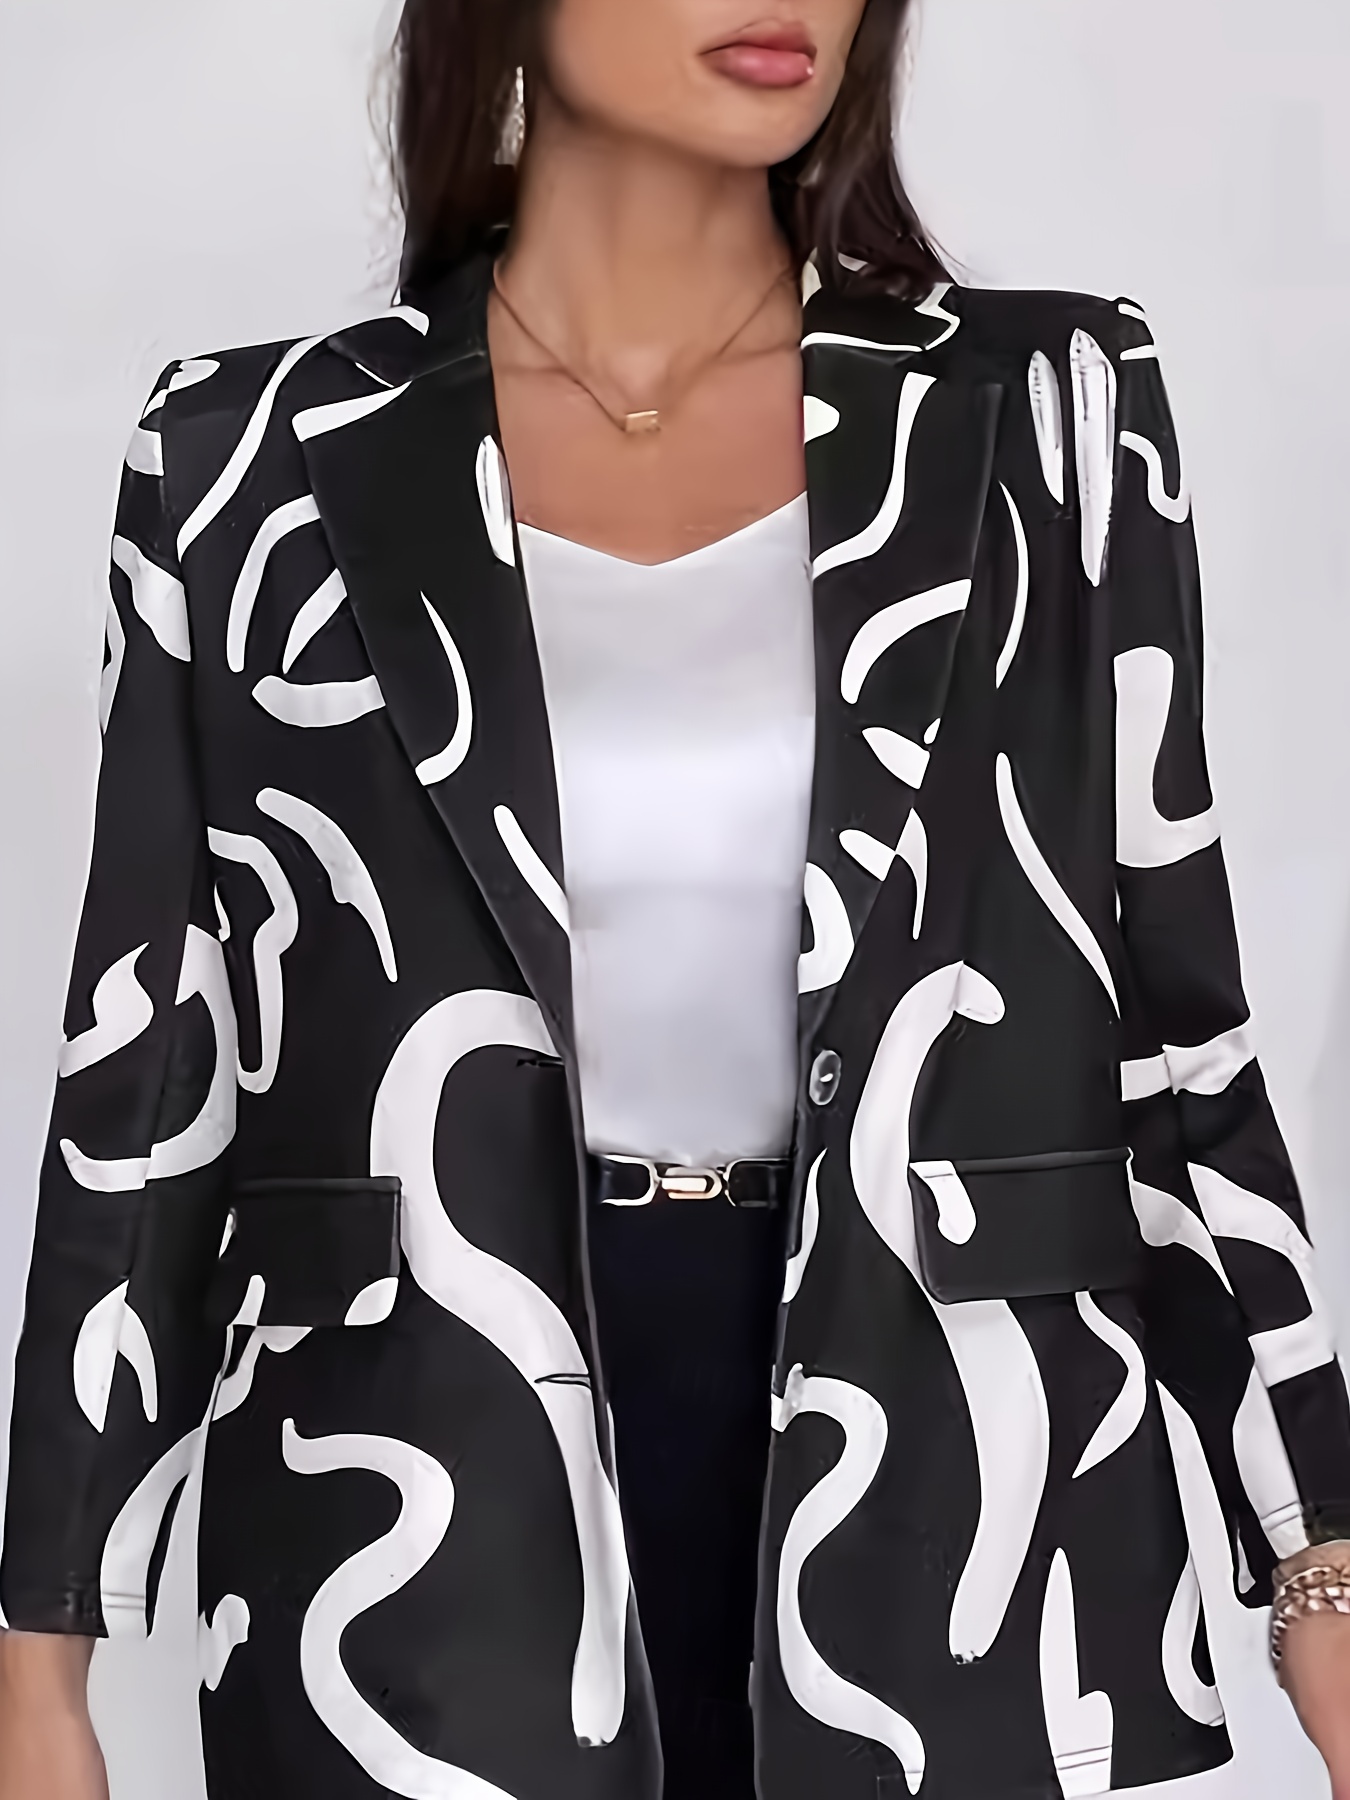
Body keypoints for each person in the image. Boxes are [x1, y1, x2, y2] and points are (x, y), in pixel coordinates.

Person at [1, 1, 1348, 1796]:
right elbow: (145, 1088)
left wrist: (1315, 1546)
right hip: (427, 1501)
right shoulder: (247, 456)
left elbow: (1175, 1035)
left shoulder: (1052, 408)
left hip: (957, 1492)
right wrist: (41, 1659)